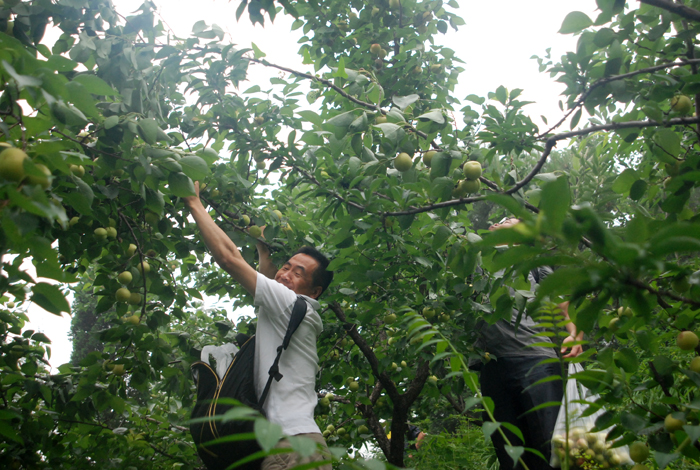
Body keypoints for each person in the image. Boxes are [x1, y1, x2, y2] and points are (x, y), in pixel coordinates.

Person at [184, 183, 334, 470]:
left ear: (314, 292)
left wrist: (194, 202)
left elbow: (229, 258)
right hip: (292, 444)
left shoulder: (293, 304)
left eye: (298, 273)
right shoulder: (290, 313)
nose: (286, 274)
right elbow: (269, 279)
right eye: (286, 266)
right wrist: (263, 248)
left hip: (292, 445)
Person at [473, 217, 584, 470]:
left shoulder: (532, 262)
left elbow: (562, 303)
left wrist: (574, 335)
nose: (498, 222)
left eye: (508, 219)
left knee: (551, 448)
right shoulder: (476, 258)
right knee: (511, 456)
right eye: (498, 219)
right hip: (491, 366)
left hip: (535, 361)